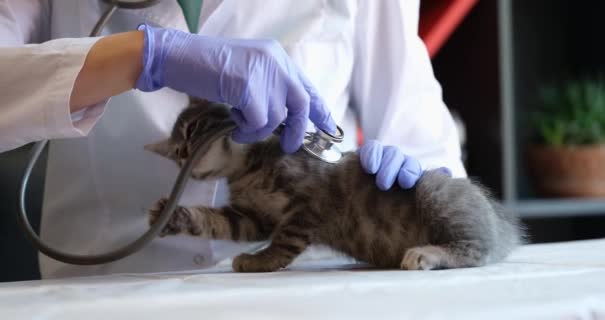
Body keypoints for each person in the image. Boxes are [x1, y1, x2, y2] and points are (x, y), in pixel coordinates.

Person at [0, 0, 466, 278]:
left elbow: (419, 134)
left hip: (306, 292)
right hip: (101, 296)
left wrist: (414, 182)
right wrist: (145, 55)